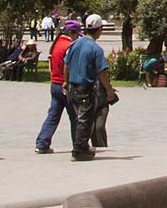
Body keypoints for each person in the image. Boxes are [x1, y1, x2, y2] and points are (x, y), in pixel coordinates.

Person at [63, 13, 117, 160]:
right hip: (85, 88)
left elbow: (66, 64)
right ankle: (79, 150)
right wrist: (109, 90)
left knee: (80, 118)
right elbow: (102, 73)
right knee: (85, 120)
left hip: (73, 88)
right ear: (100, 29)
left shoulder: (75, 44)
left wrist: (66, 82)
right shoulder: (95, 49)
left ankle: (82, 146)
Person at [37, 19, 79, 152]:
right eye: (77, 34)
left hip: (54, 83)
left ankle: (42, 143)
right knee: (75, 117)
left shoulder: (56, 43)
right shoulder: (69, 46)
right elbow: (71, 66)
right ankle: (79, 144)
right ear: (72, 33)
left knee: (53, 115)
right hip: (65, 84)